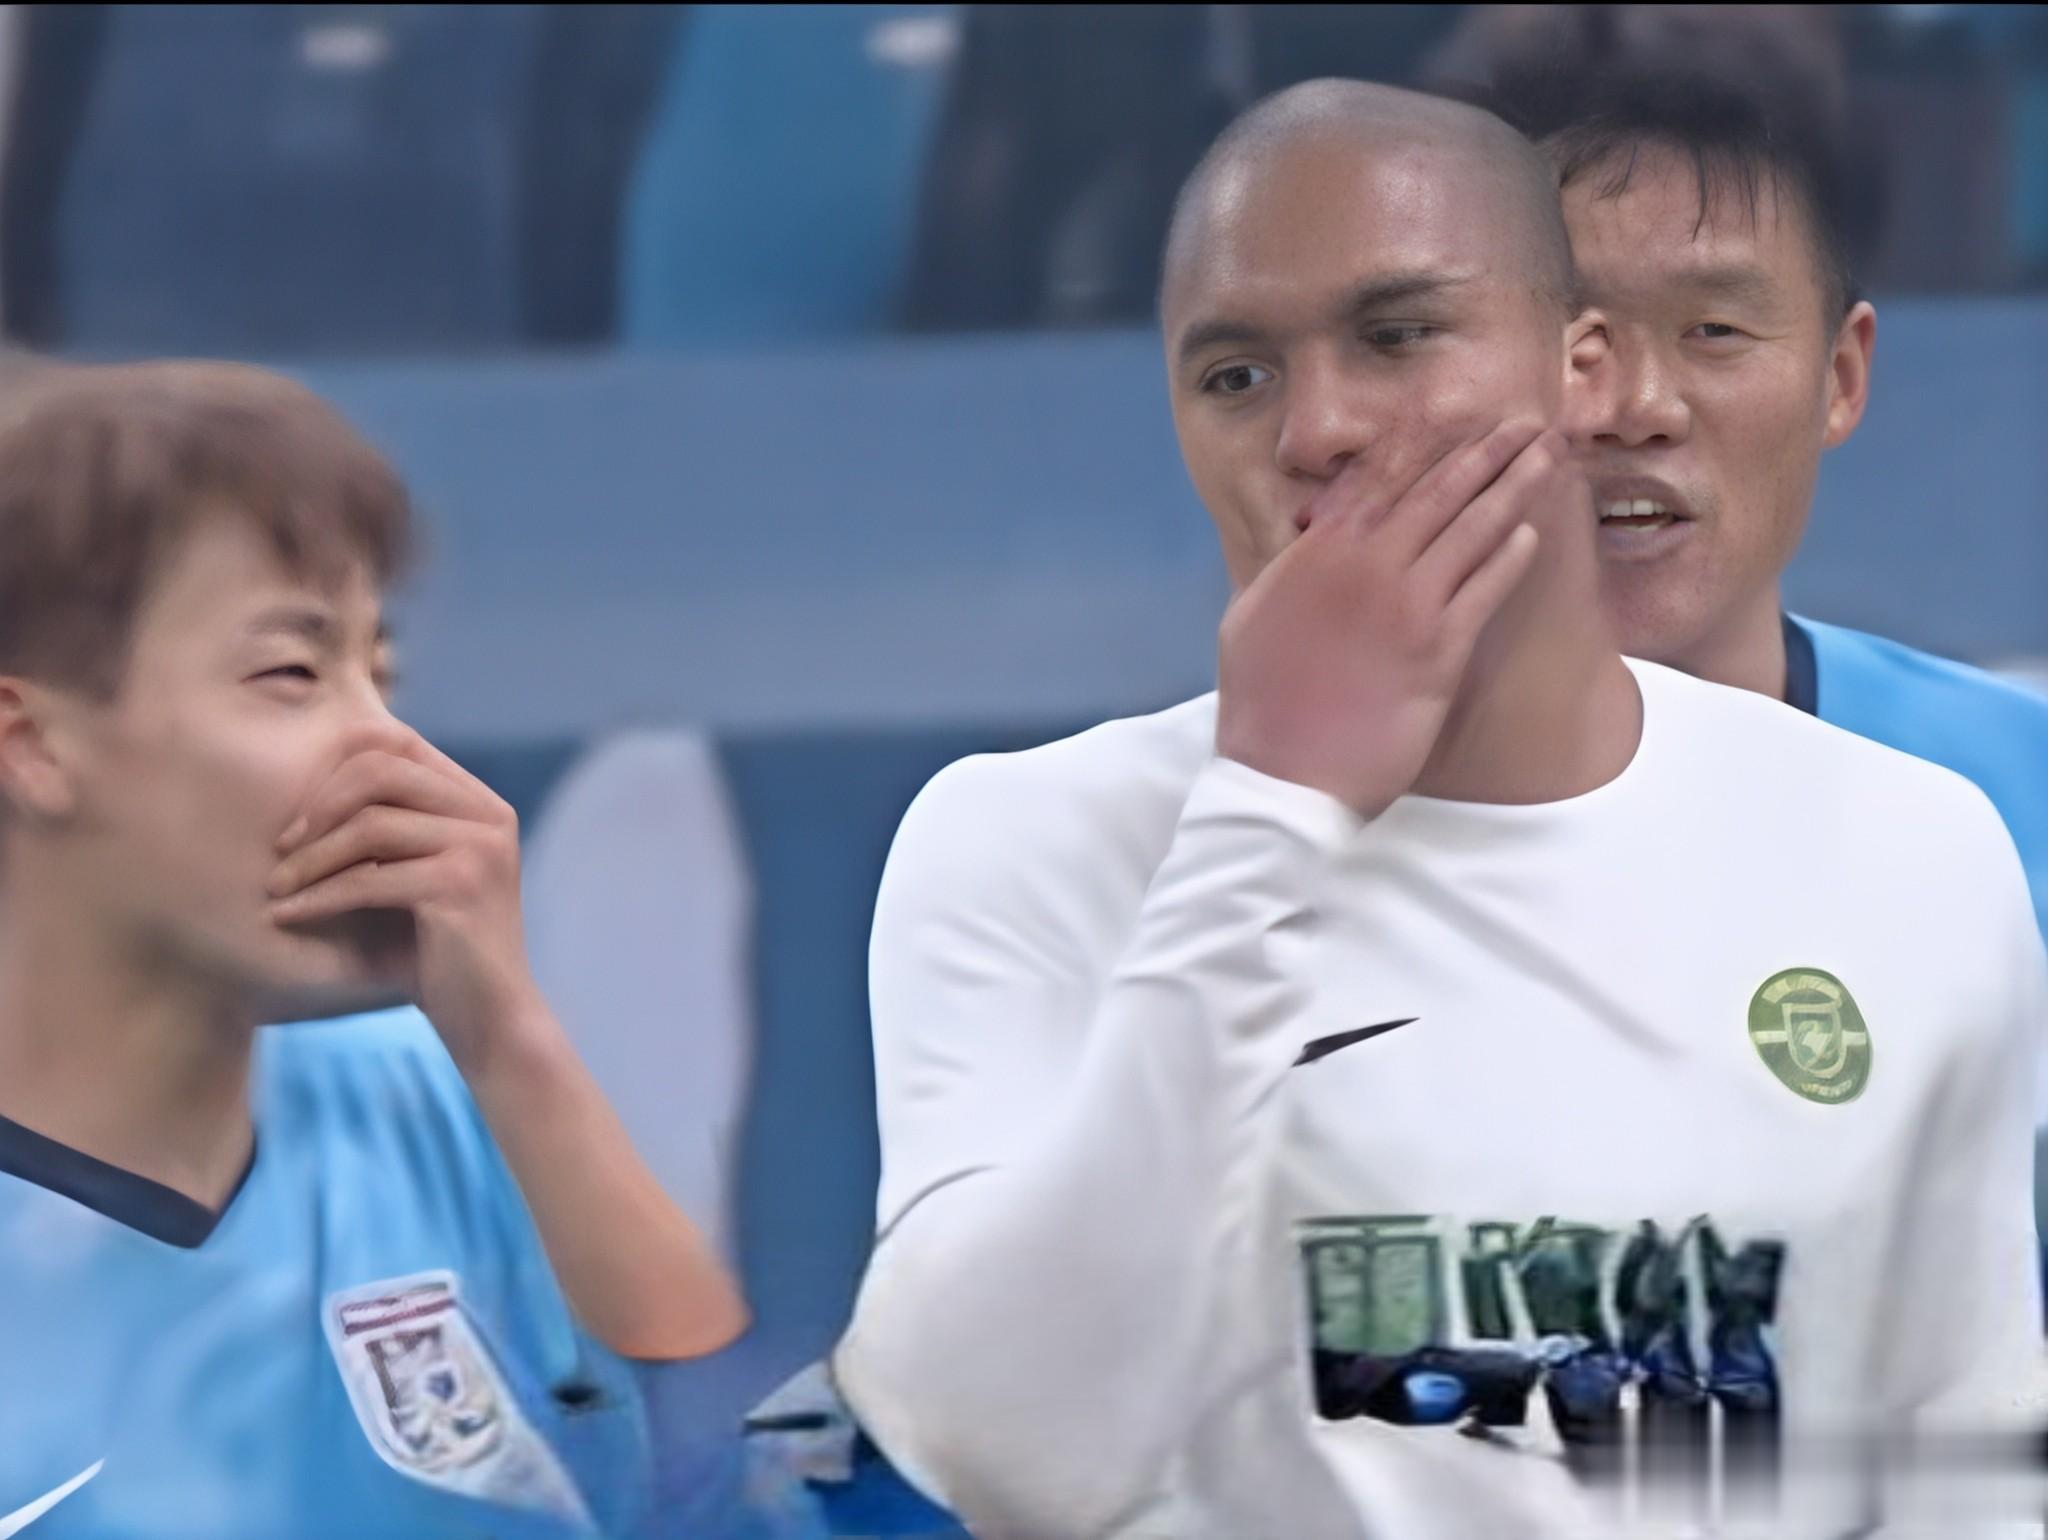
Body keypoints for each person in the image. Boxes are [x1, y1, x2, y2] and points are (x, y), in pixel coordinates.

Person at [833, 80, 2047, 1539]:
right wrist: (1272, 806)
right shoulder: (1022, 842)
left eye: (1397, 337)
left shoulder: (1913, 845)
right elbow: (1007, 1455)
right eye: (1236, 375)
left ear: (1576, 373)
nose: (1317, 429)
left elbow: (1963, 1466)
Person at [0, 360, 747, 1538]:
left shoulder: (444, 1091)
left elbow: (729, 1496)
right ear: (33, 744)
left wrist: (516, 1048)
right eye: (291, 675)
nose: (389, 751)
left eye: (380, 676)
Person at [1430, 12, 2048, 968]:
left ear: (1841, 377)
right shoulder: (1274, 814)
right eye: (1563, 331)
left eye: (1714, 330)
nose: (1635, 408)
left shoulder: (2019, 798)